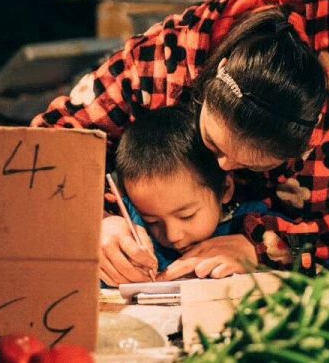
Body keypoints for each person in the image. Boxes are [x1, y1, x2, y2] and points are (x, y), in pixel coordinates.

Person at [34, 0, 329, 283]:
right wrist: (95, 220)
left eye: (256, 164)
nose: (225, 168)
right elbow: (42, 149)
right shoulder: (164, 61)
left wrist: (265, 248)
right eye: (212, 145)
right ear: (213, 75)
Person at [113, 104, 309, 284]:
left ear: (225, 189)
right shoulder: (133, 233)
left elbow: (316, 258)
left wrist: (262, 254)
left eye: (186, 215)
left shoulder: (256, 225)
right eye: (152, 221)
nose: (172, 236)